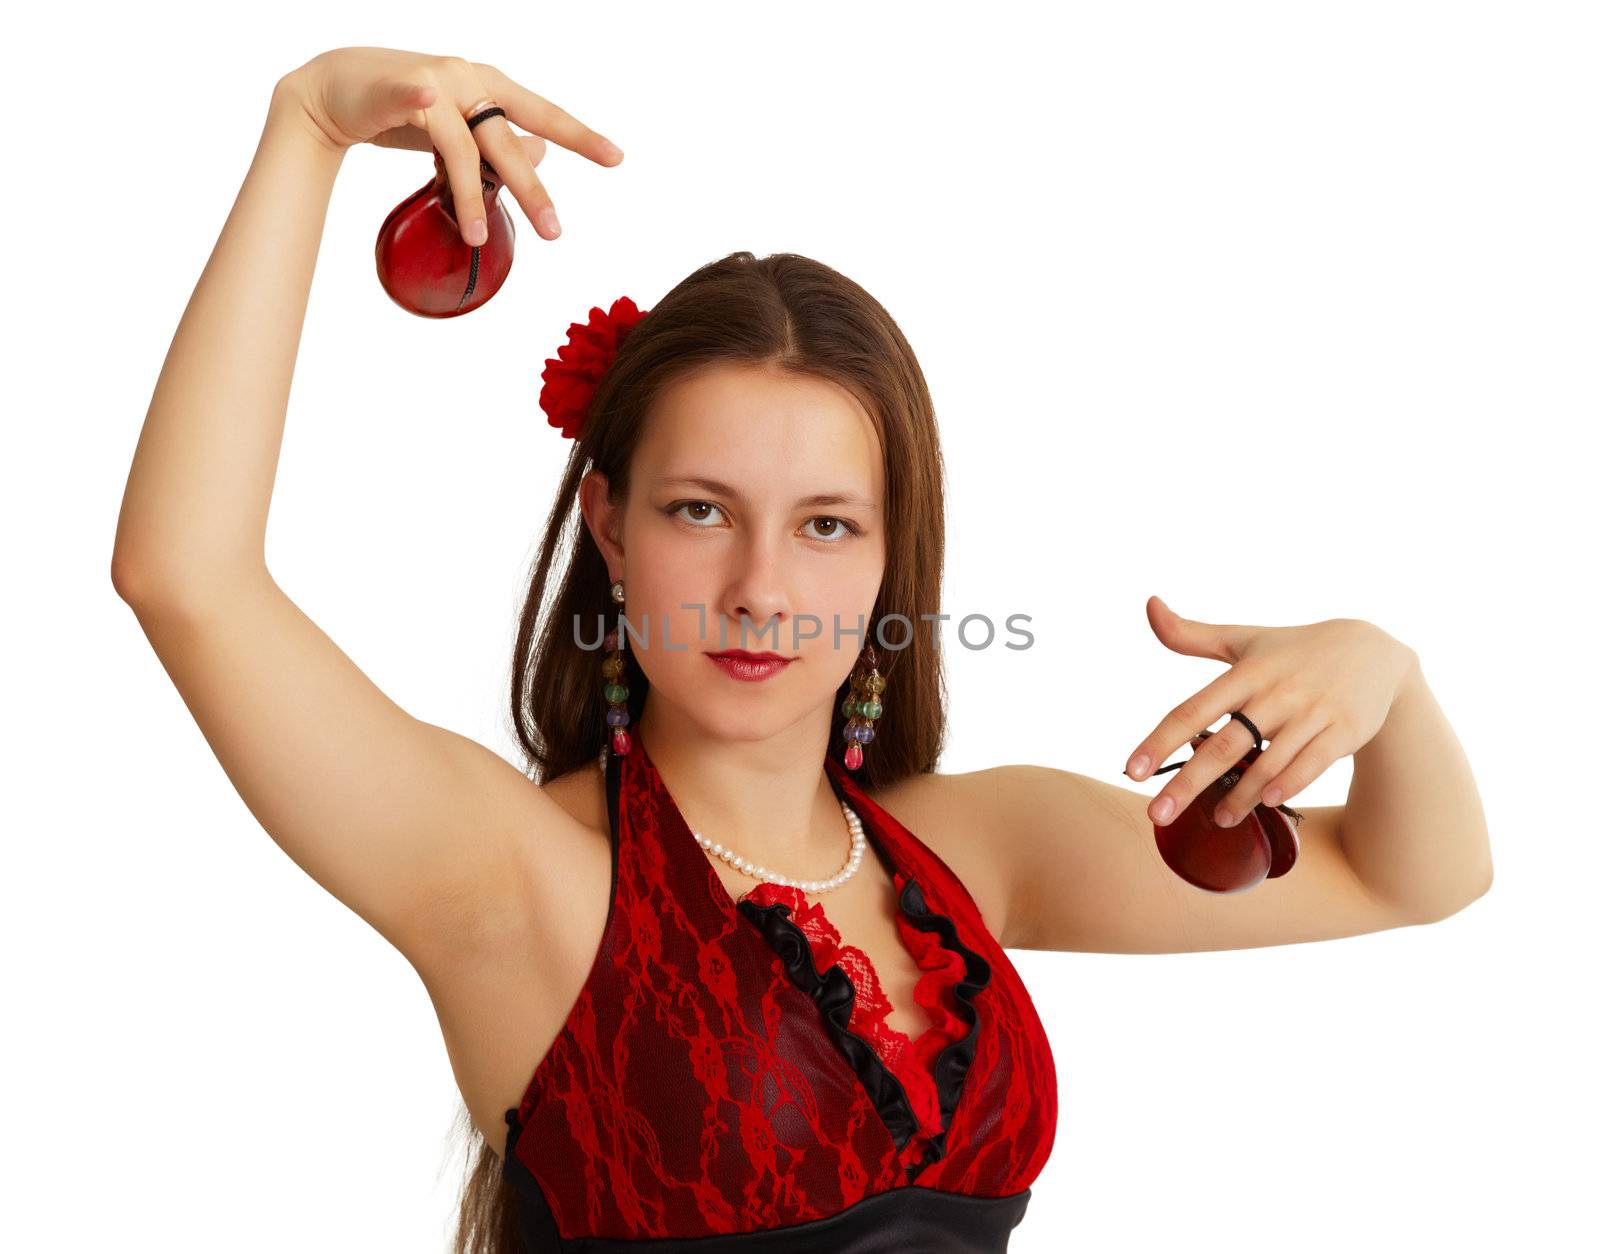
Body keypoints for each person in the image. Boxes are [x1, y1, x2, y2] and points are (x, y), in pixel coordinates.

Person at [110, 46, 1493, 1254]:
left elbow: (1411, 875)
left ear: (895, 552)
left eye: (827, 525)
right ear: (609, 523)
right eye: (700, 510)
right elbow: (186, 579)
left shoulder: (973, 847)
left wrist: (1388, 674)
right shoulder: (520, 881)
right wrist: (308, 129)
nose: (762, 589)